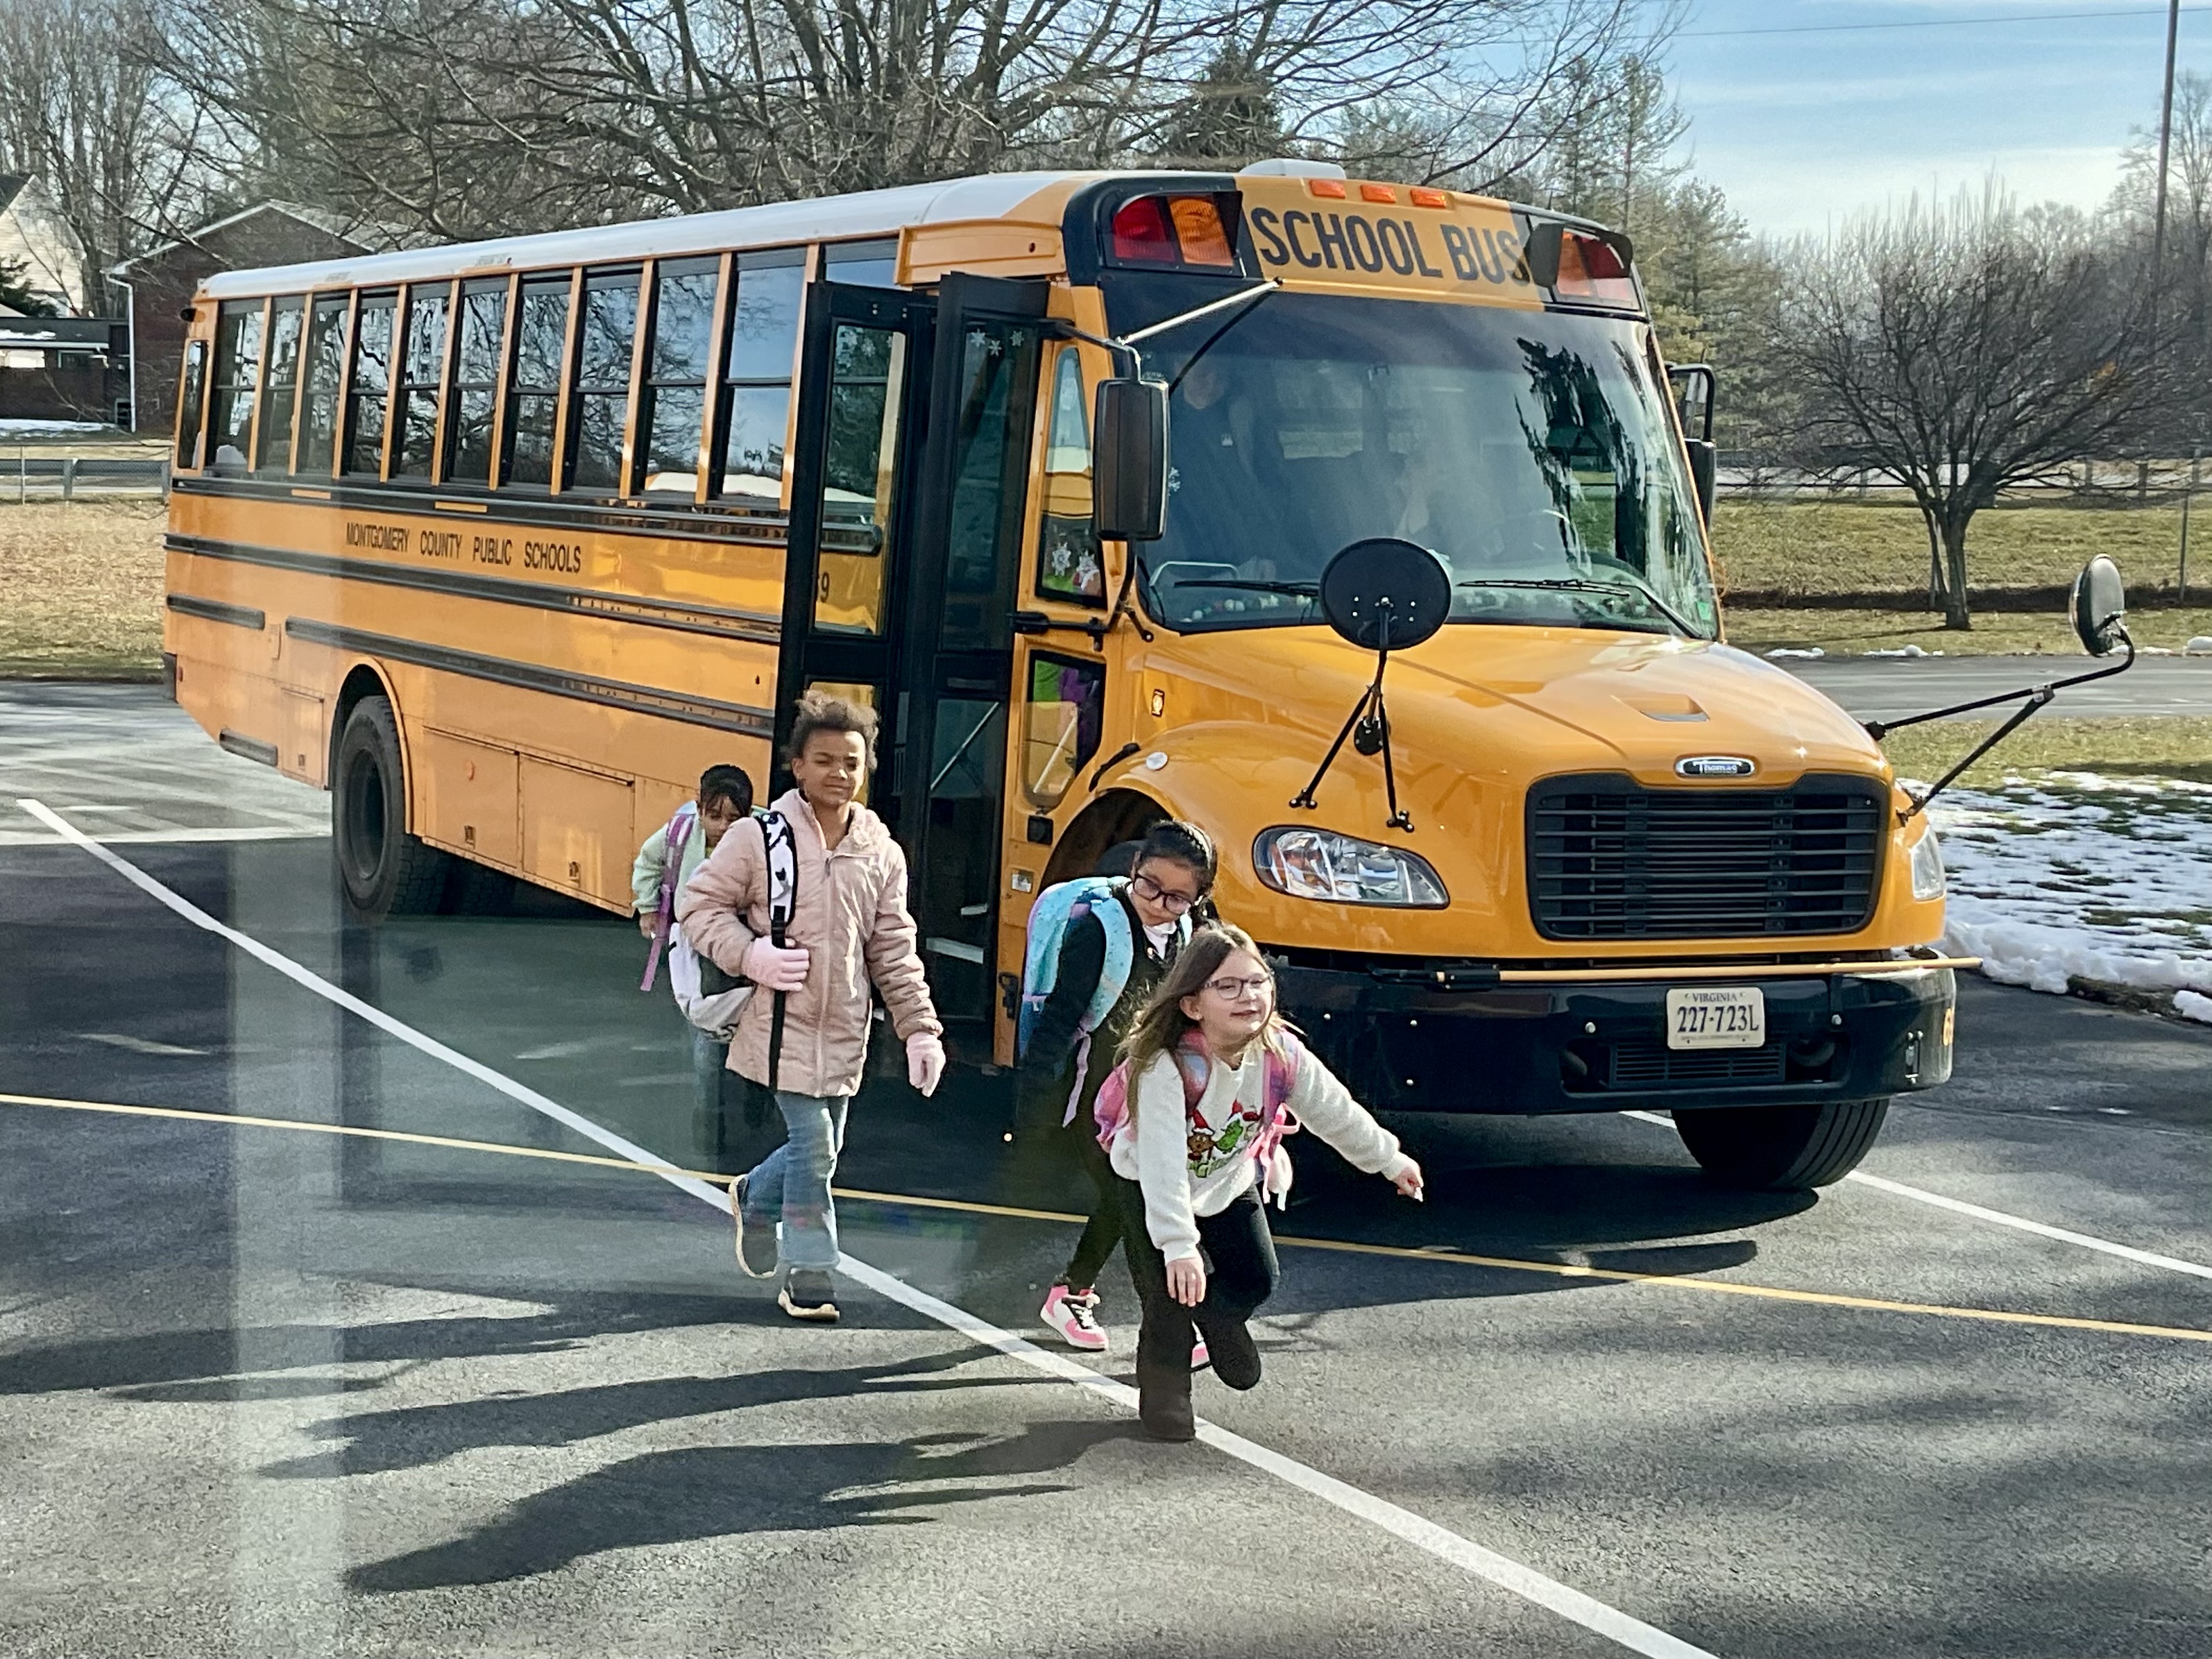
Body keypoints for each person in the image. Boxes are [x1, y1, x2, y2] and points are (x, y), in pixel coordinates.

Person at [678, 693, 945, 1324]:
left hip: (846, 1030)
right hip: (780, 1027)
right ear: (796, 765)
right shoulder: (757, 838)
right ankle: (810, 1269)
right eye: (824, 760)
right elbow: (698, 907)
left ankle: (754, 1196)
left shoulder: (881, 852)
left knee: (825, 1146)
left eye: (851, 762)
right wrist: (751, 955)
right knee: (815, 1143)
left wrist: (919, 1030)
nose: (839, 774)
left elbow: (893, 948)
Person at [1106, 923, 1424, 1441]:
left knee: (1257, 1278)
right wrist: (1179, 1246)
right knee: (1169, 1299)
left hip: (1228, 1181)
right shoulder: (1167, 1067)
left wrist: (1389, 1159)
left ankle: (1218, 1318)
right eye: (1228, 986)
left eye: (1257, 982)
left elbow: (1335, 1111)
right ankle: (1166, 1395)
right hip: (1151, 1189)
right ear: (1192, 1005)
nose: (1248, 996)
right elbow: (1163, 1164)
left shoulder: (1279, 1054)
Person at [1021, 821, 1216, 1354]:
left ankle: (1072, 1293)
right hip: (1093, 1093)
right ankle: (1168, 1327)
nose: (1157, 903)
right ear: (1133, 868)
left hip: (1146, 1096)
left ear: (1198, 898)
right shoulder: (1098, 931)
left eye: (1176, 897)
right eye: (1148, 885)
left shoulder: (1188, 936)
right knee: (1133, 1199)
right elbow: (1059, 1018)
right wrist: (1035, 1104)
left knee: (1130, 1199)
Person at [633, 765, 756, 1166]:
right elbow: (648, 862)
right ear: (699, 808)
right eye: (713, 815)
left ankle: (754, 1113)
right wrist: (648, 907)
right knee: (707, 1045)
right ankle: (710, 1134)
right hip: (696, 951)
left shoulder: (761, 836)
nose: (722, 827)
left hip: (746, 951)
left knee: (753, 1037)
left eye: (733, 818)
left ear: (749, 813)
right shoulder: (681, 834)